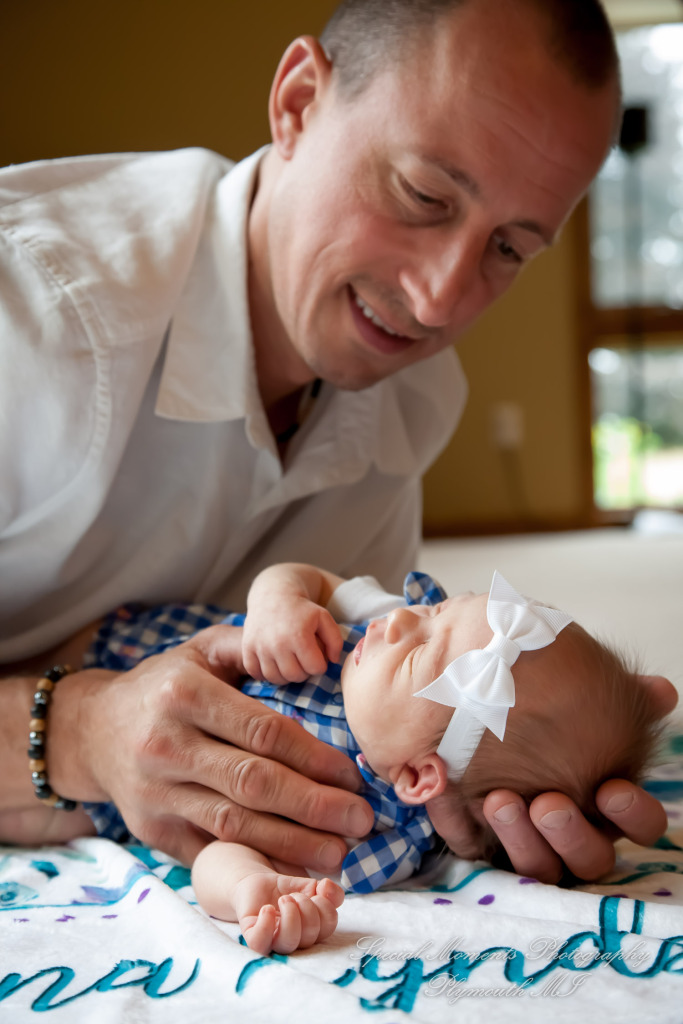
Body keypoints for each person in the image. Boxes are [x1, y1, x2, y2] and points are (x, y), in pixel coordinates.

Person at [0, 0, 674, 884]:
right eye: (423, 195)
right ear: (296, 103)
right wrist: (76, 734)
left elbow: (359, 710)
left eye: (508, 249)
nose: (438, 303)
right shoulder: (31, 320)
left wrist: (504, 770)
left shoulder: (411, 395)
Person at [11, 562, 667, 954]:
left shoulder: (360, 831)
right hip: (123, 641)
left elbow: (214, 852)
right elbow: (310, 578)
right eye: (438, 609)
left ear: (418, 775)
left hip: (108, 799)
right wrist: (278, 602)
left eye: (419, 649)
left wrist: (252, 889)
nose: (401, 620)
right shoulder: (368, 638)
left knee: (33, 820)